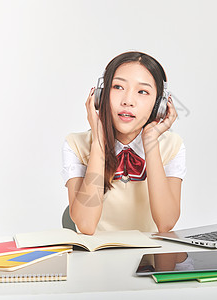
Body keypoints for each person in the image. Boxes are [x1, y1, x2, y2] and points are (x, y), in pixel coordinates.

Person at [61, 51, 186, 235]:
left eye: (143, 91)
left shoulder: (172, 146)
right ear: (100, 95)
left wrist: (151, 142)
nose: (128, 101)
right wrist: (98, 143)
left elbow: (165, 223)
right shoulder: (76, 145)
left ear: (159, 105)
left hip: (149, 259)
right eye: (118, 87)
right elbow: (86, 225)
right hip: (96, 259)